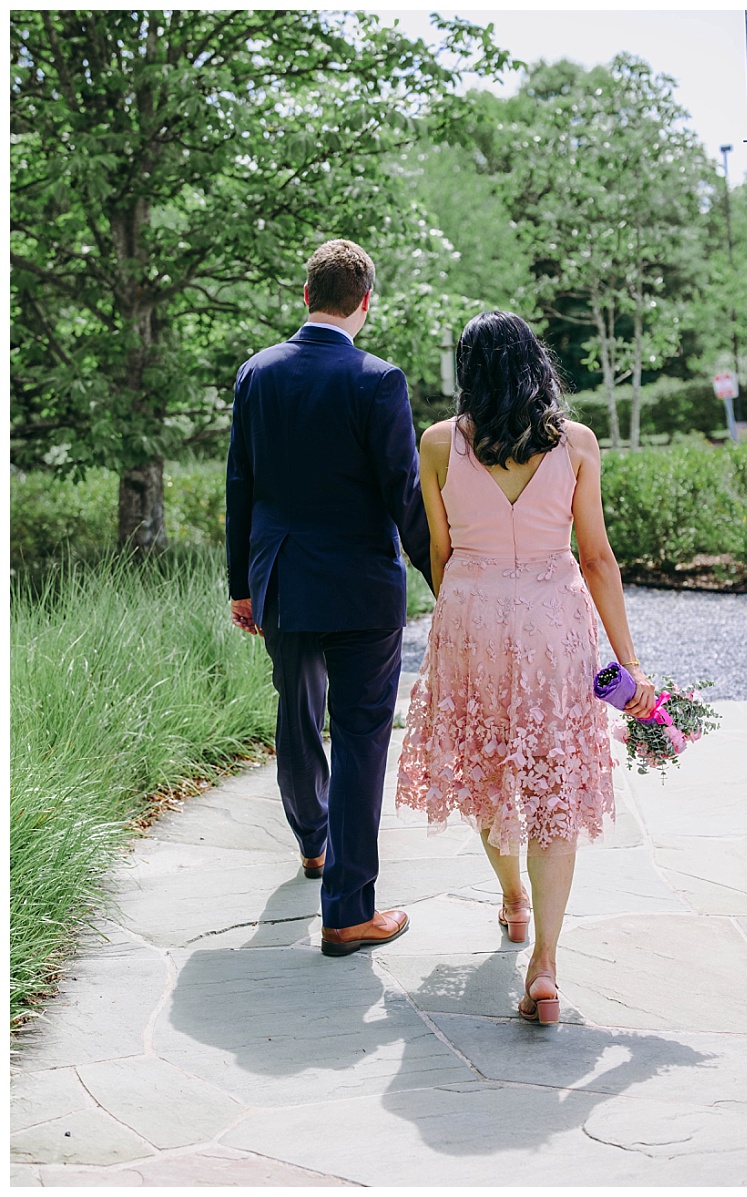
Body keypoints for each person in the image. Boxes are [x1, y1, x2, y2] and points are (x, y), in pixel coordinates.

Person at [395, 310, 656, 1025]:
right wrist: (628, 664)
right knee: (554, 787)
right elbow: (598, 556)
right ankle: (544, 963)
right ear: (537, 364)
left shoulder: (441, 443)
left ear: (469, 371)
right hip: (552, 623)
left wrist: (465, 613)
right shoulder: (575, 444)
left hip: (472, 615)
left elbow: (440, 554)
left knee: (485, 764)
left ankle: (509, 894)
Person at [226, 238, 431, 956]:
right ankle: (346, 910)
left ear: (306, 295)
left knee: (296, 708)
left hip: (279, 578)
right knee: (361, 735)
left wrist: (240, 586)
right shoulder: (379, 381)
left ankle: (314, 840)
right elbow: (403, 494)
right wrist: (446, 574)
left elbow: (240, 487)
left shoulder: (256, 373)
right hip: (360, 588)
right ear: (365, 304)